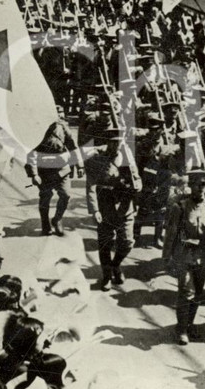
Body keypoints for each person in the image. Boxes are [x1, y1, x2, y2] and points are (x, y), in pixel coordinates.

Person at [162, 168, 205, 346]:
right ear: (191, 185)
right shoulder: (181, 207)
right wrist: (166, 257)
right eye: (198, 184)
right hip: (185, 255)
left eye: (204, 184)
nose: (201, 188)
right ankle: (181, 328)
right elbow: (171, 234)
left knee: (197, 293)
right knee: (186, 292)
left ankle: (189, 324)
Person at [85, 127, 141, 289]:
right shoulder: (96, 159)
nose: (116, 146)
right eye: (113, 142)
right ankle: (107, 275)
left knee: (127, 242)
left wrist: (136, 185)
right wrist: (95, 209)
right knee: (105, 243)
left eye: (119, 142)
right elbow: (91, 186)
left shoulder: (127, 159)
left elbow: (137, 180)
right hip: (105, 206)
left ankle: (115, 264)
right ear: (107, 142)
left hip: (125, 205)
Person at [24, 111, 79, 237]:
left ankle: (57, 219)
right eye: (56, 113)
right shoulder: (38, 129)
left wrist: (79, 165)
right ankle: (45, 223)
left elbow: (73, 147)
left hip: (61, 169)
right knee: (45, 197)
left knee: (65, 195)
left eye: (60, 114)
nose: (58, 116)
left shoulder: (64, 128)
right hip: (44, 170)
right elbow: (31, 153)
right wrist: (34, 174)